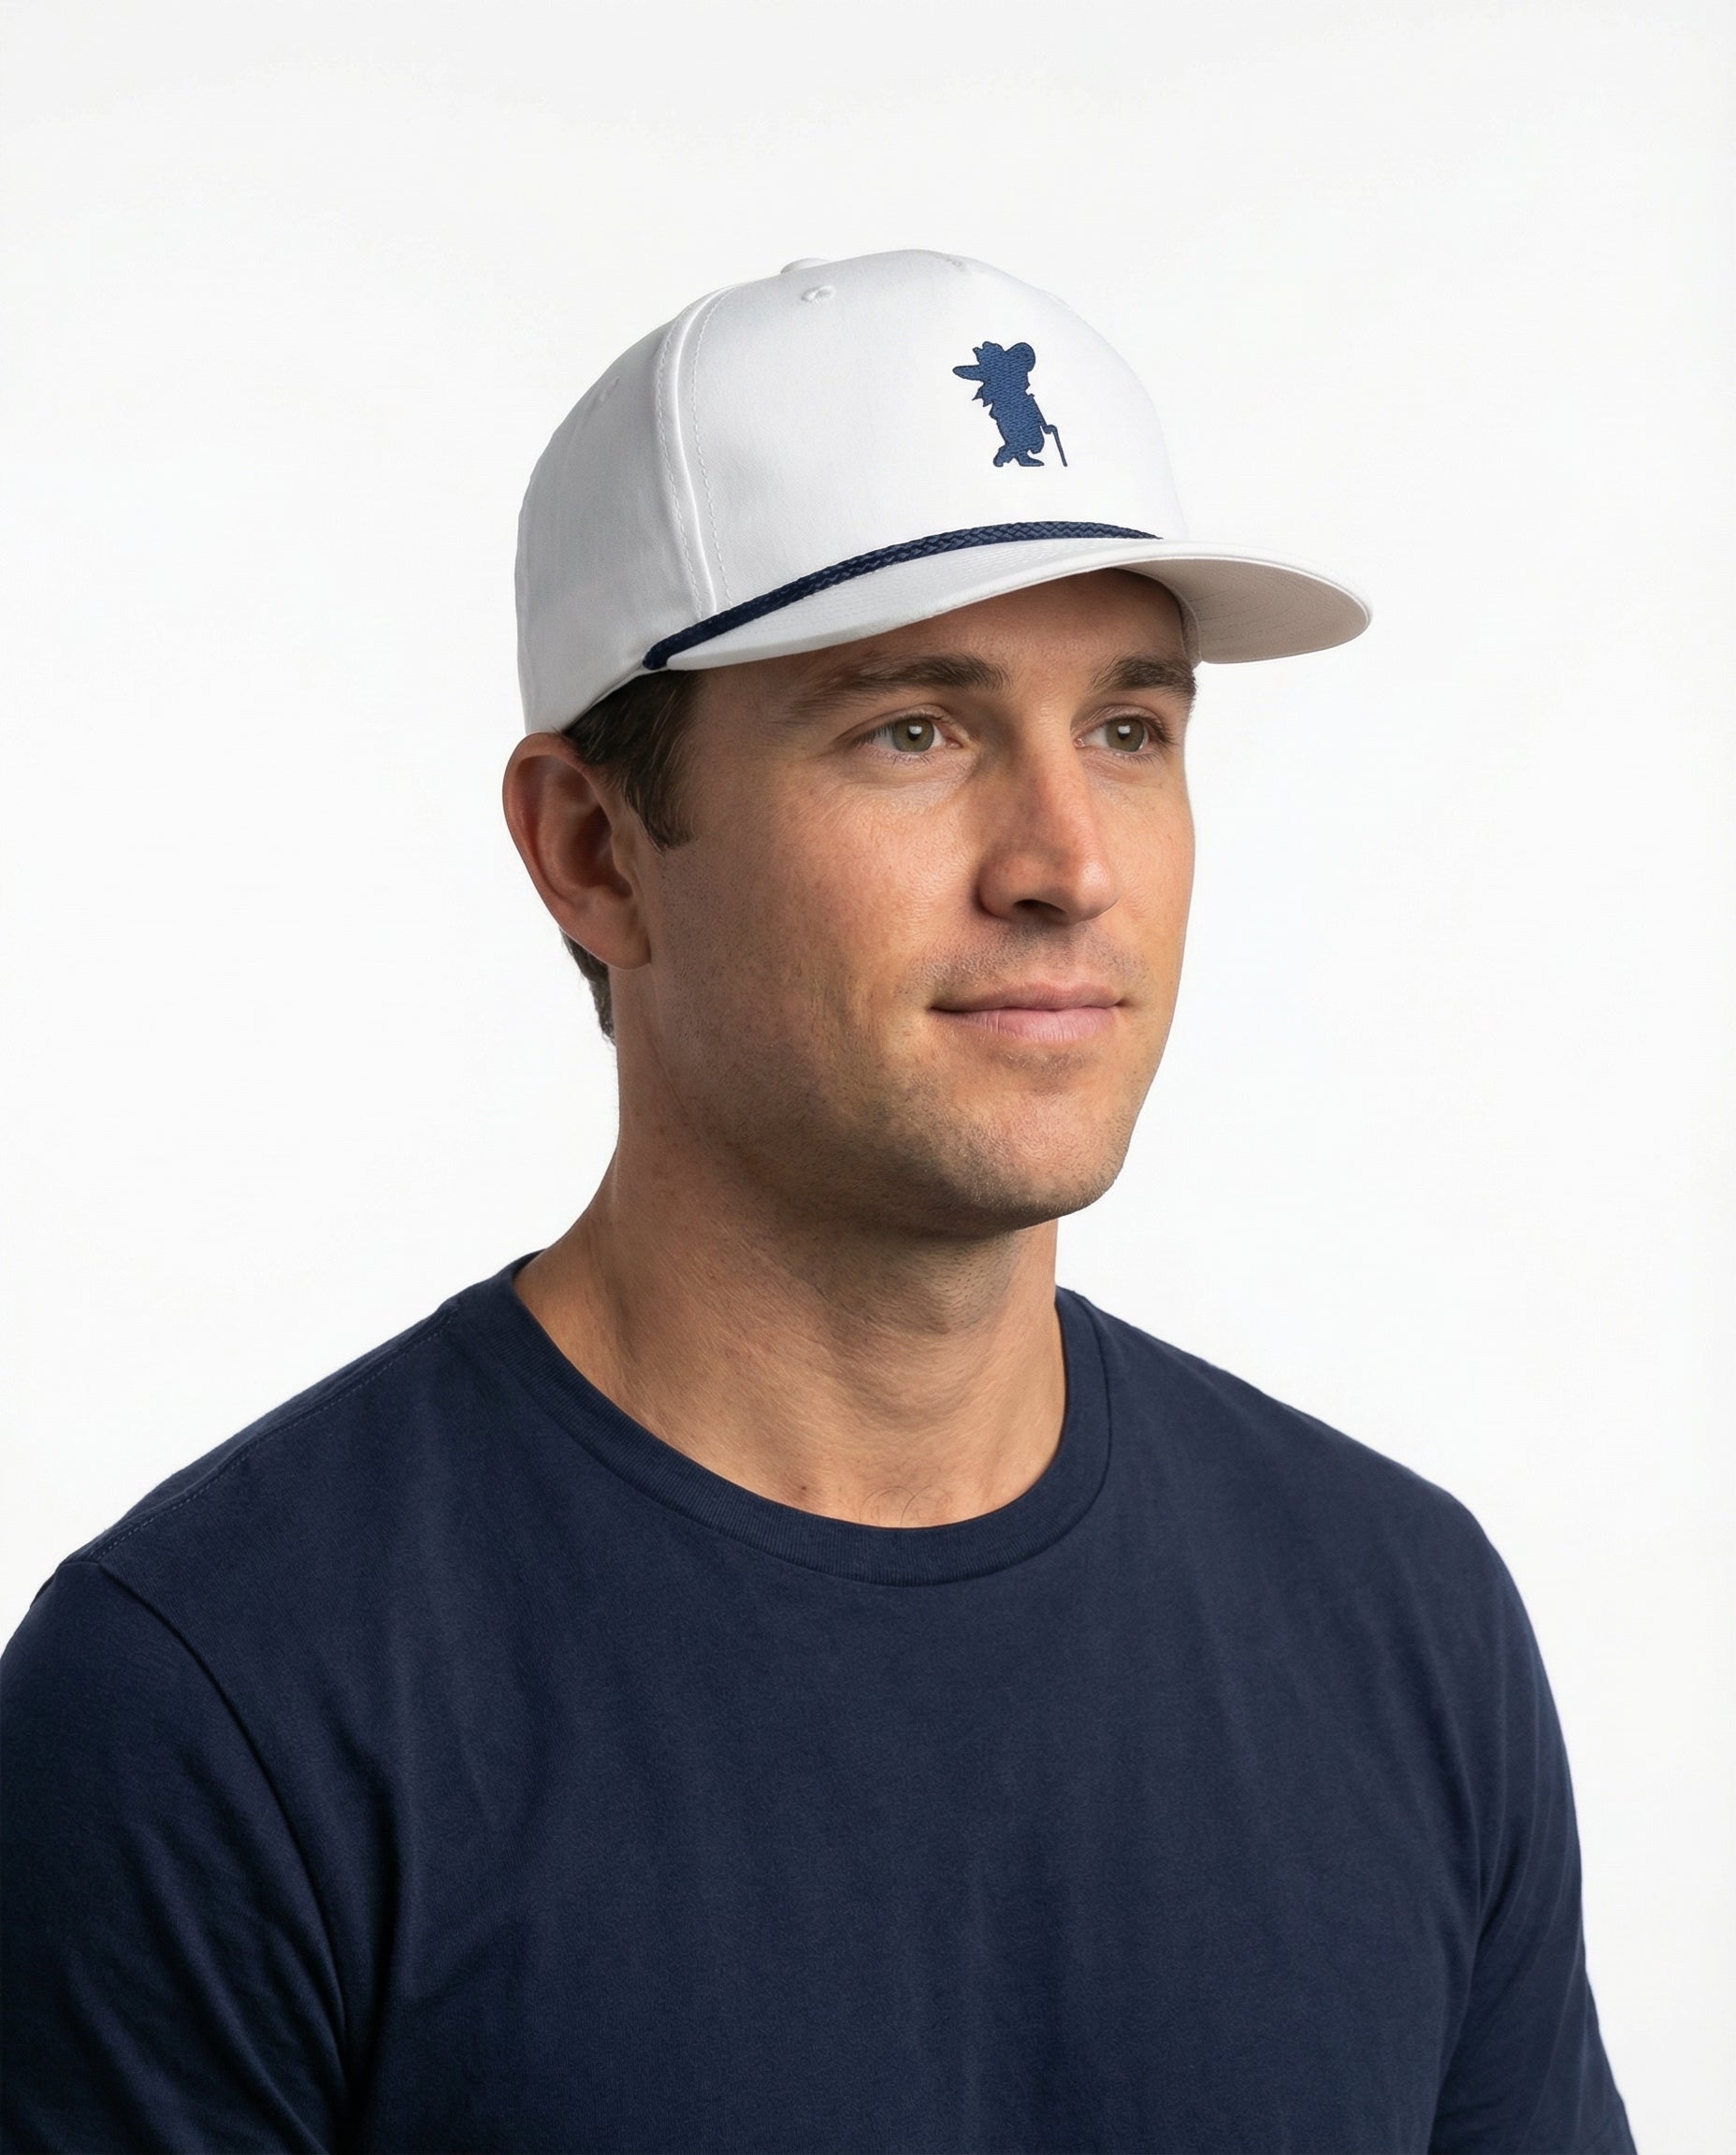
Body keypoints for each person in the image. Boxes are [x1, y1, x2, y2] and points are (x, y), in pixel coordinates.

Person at [0, 250, 1636, 2154]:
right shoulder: (214, 1703)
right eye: (912, 730)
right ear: (593, 852)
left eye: (1128, 730)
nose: (1066, 863)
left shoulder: (1400, 1622)